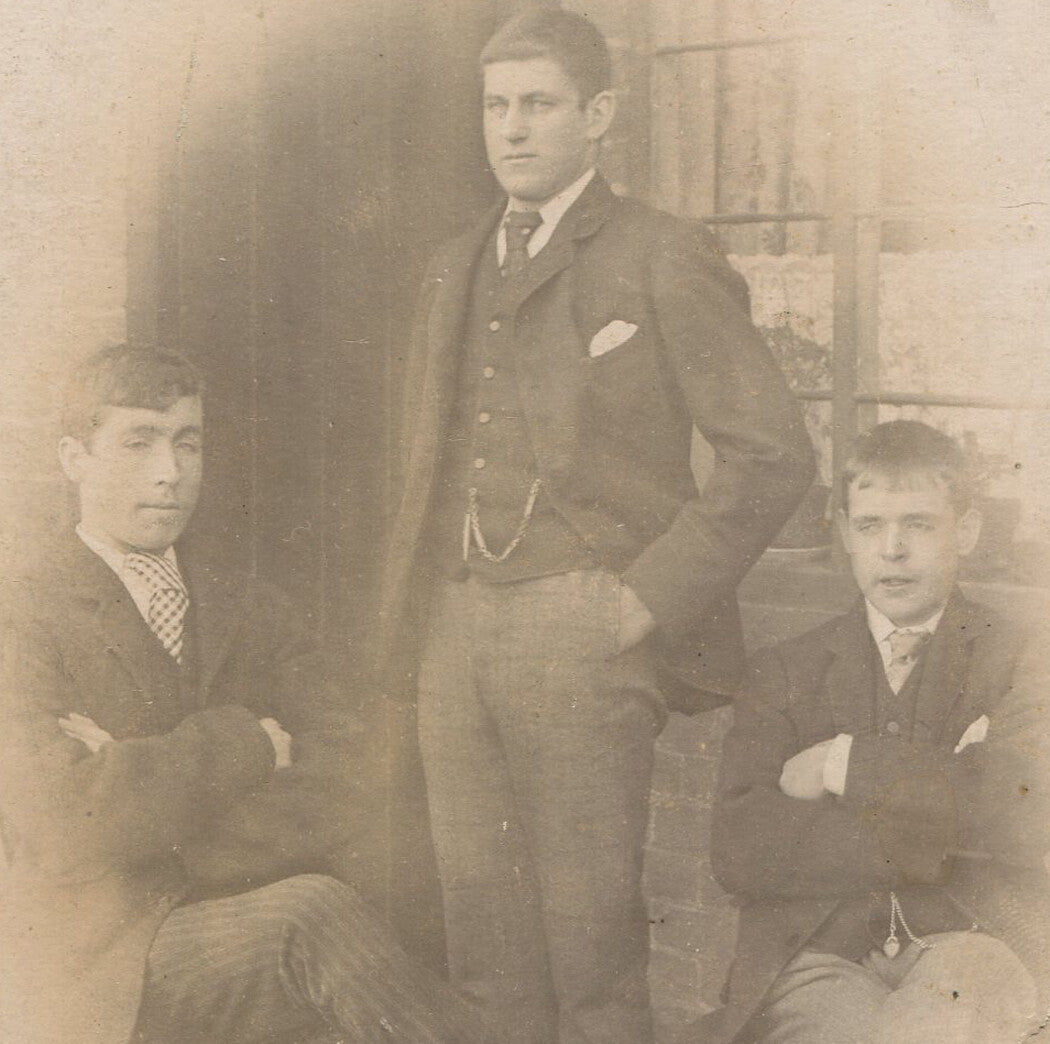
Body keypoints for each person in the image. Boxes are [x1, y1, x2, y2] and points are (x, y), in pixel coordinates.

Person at [377, 9, 815, 1044]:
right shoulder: (453, 263)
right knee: (484, 953)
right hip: (456, 630)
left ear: (600, 114)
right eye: (497, 106)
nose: (512, 129)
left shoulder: (661, 254)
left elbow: (773, 452)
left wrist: (642, 600)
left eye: (539, 104)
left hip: (583, 633)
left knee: (593, 962)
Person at [0, 344, 490, 1044]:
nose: (169, 473)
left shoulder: (248, 604)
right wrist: (251, 743)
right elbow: (61, 826)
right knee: (311, 916)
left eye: (187, 443)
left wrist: (154, 809)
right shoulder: (22, 612)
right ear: (74, 457)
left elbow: (354, 768)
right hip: (101, 963)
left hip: (229, 913)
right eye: (138, 443)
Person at [708, 420, 1050, 1044]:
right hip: (815, 950)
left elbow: (1021, 817)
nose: (892, 550)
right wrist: (946, 806)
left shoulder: (1025, 654)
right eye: (870, 525)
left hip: (971, 941)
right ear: (845, 534)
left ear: (966, 531)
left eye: (918, 524)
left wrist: (844, 765)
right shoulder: (785, 670)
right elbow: (741, 852)